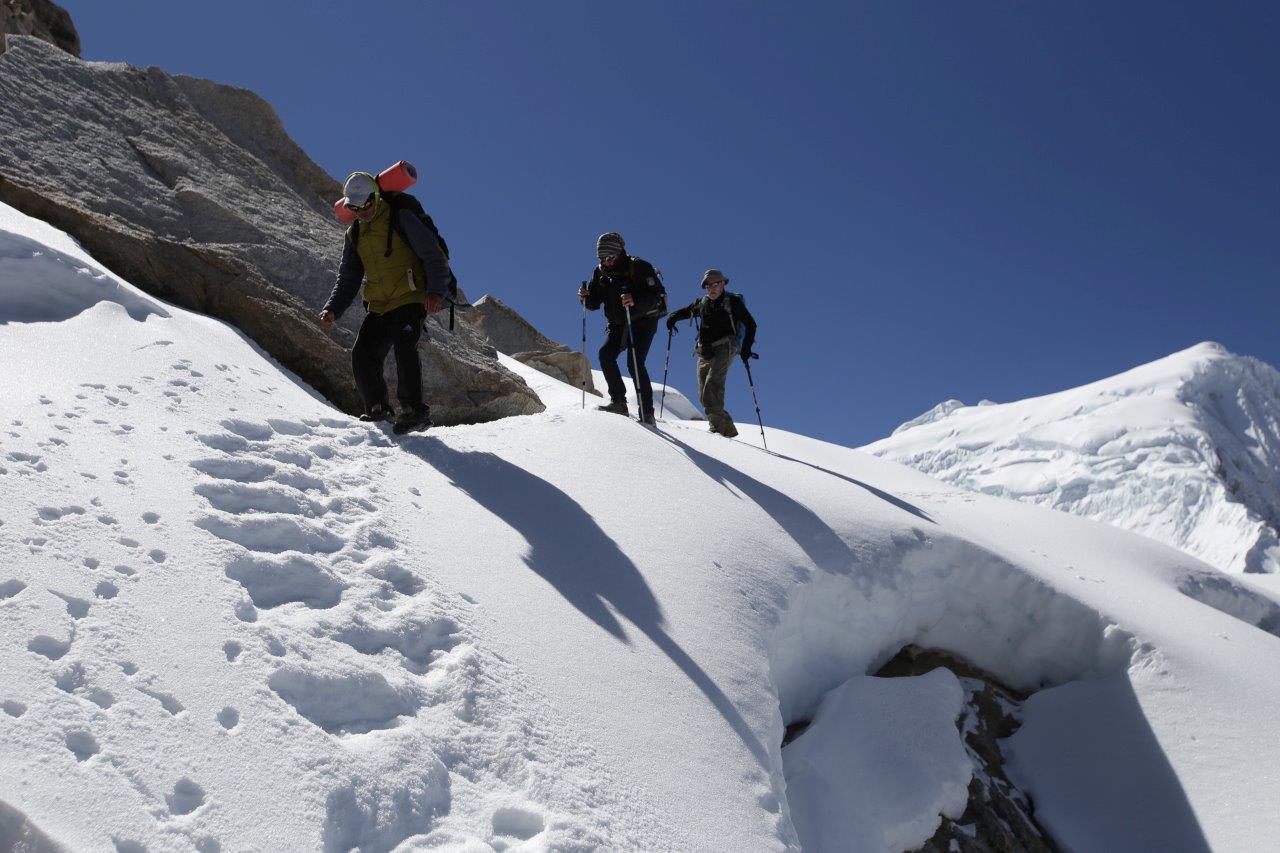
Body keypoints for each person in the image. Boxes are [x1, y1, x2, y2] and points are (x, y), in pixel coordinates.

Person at [319, 171, 451, 435]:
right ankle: (378, 408)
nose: (363, 211)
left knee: (405, 346)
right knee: (363, 354)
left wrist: (436, 291)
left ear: (376, 197)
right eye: (355, 208)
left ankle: (415, 411)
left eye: (366, 205)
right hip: (379, 304)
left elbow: (433, 255)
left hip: (410, 297)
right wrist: (332, 308)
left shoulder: (400, 217)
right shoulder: (354, 235)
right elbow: (348, 277)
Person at [578, 232, 667, 424]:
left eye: (610, 257)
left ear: (619, 253)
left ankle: (646, 411)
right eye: (602, 258)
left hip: (643, 321)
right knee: (605, 355)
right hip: (617, 323)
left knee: (634, 362)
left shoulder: (639, 267)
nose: (606, 262)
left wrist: (634, 301)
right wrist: (585, 298)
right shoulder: (600, 272)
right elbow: (594, 303)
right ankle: (619, 402)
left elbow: (658, 299)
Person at [665, 268, 756, 437]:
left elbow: (751, 324)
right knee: (703, 394)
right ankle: (727, 429)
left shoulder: (733, 301)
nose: (711, 288)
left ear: (722, 283)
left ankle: (718, 429)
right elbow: (687, 311)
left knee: (712, 387)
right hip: (704, 351)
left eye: (715, 284)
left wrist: (746, 349)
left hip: (725, 348)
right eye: (708, 285)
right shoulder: (703, 302)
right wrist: (673, 317)